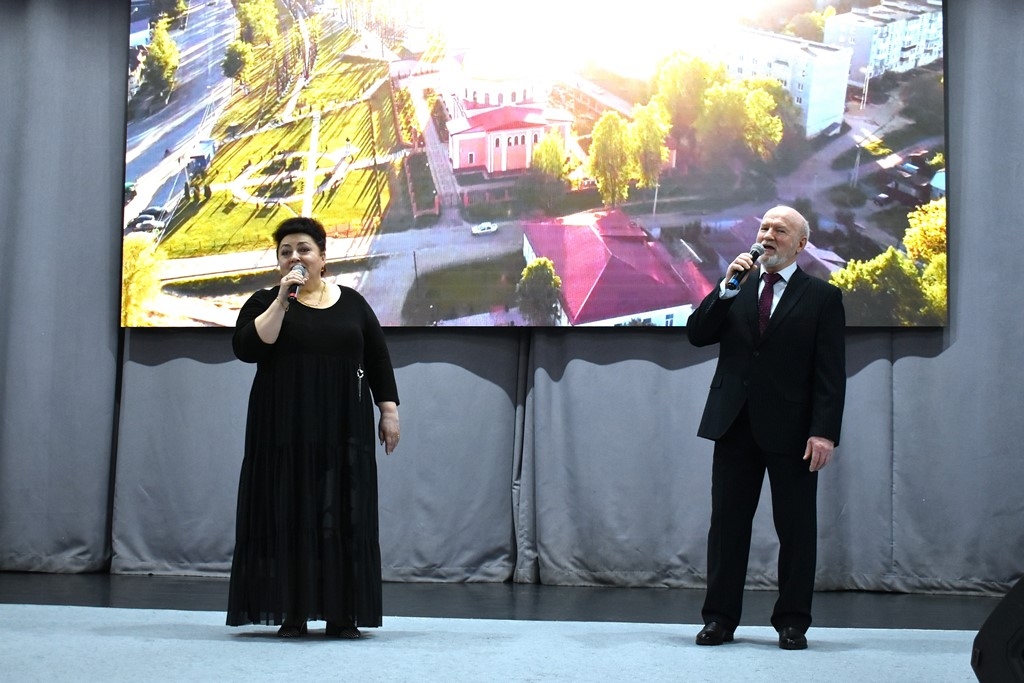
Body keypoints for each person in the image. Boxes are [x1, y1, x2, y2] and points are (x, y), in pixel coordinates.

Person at [227, 216, 401, 639]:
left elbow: (377, 357)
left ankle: (343, 614)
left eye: (303, 249)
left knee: (344, 514)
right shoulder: (266, 301)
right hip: (283, 428)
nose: (295, 257)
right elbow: (248, 348)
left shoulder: (353, 302)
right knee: (289, 514)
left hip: (344, 426)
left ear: (323, 257)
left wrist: (389, 410)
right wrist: (281, 301)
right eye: (285, 252)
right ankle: (294, 612)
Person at [686, 205, 846, 651]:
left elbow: (830, 373)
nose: (768, 235)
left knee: (796, 530)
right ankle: (719, 619)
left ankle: (792, 622)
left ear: (801, 244)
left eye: (781, 230)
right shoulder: (736, 286)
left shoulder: (822, 297)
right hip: (733, 423)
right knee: (727, 528)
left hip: (794, 432)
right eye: (764, 227)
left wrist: (823, 431)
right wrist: (724, 289)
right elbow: (697, 334)